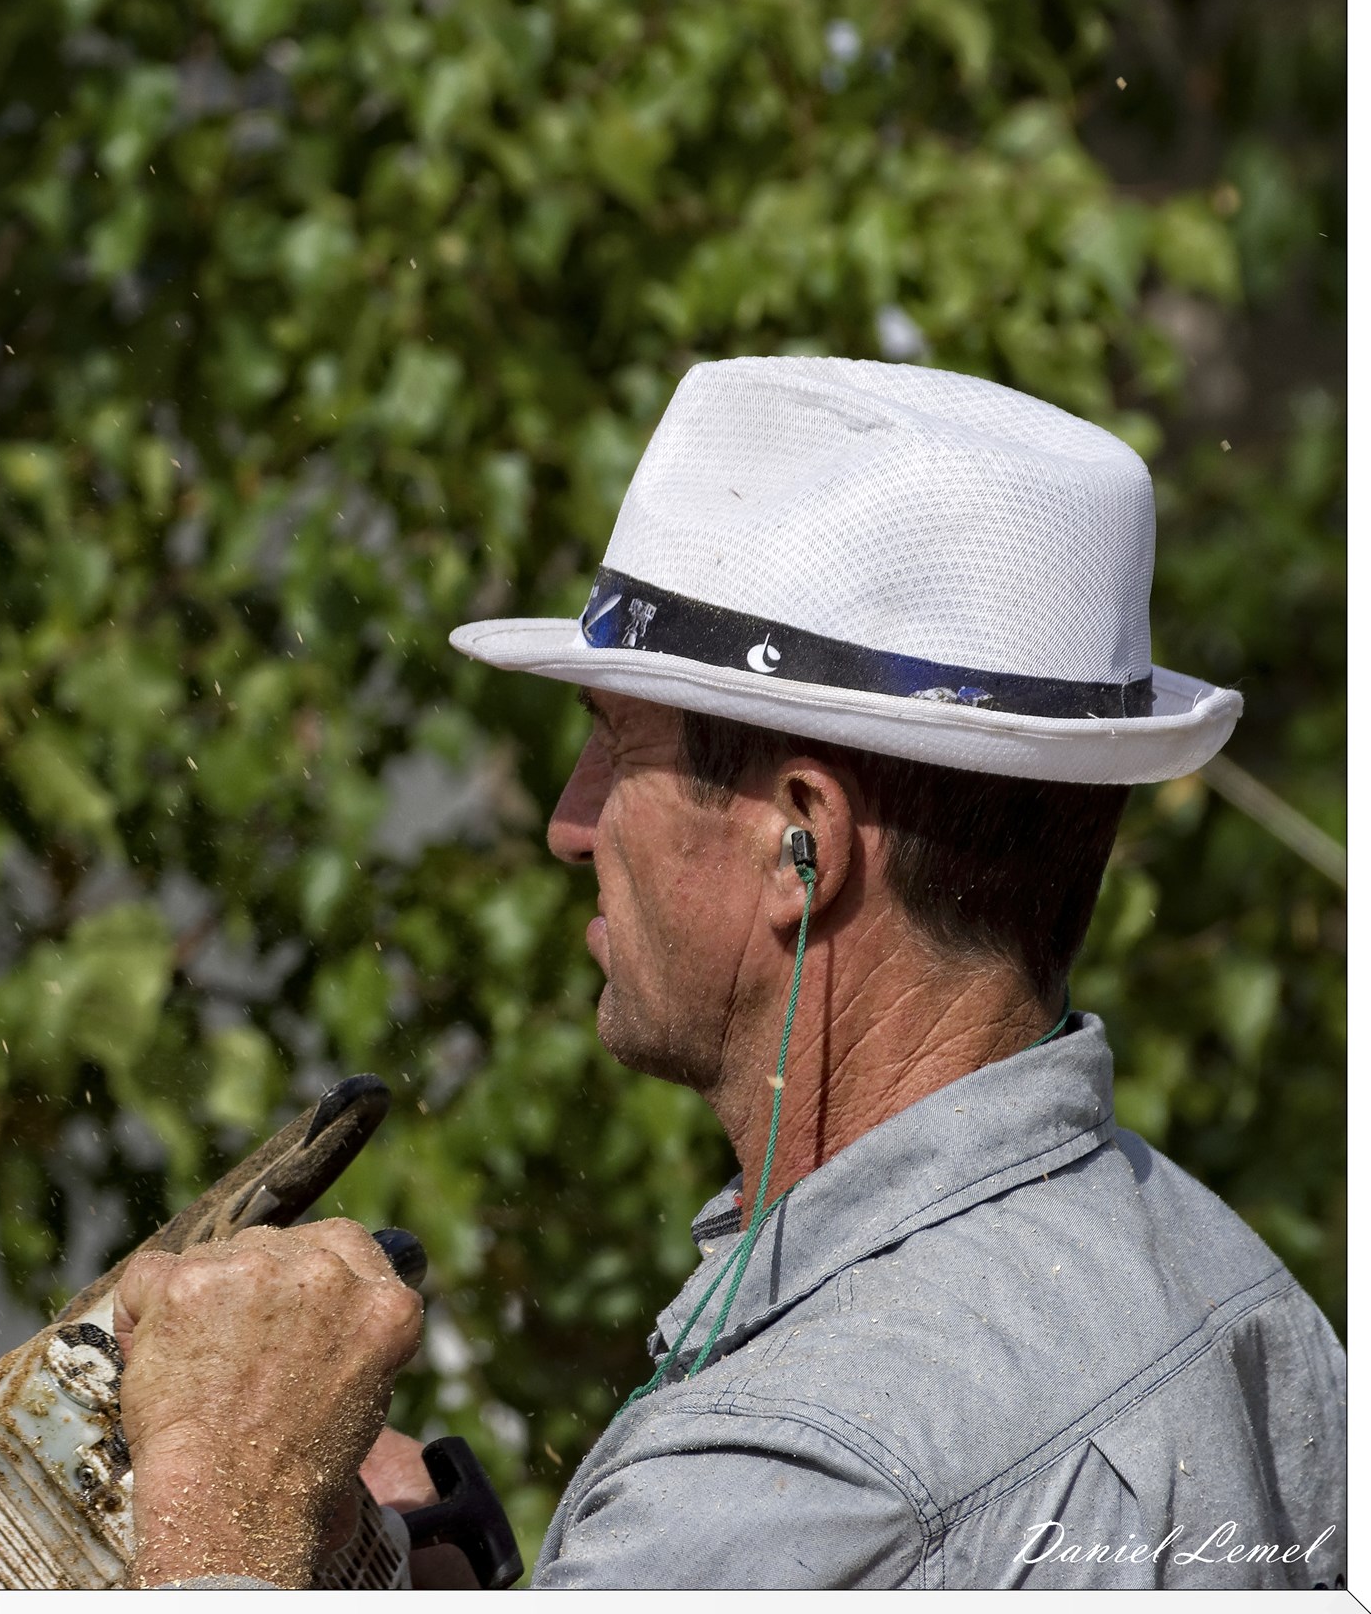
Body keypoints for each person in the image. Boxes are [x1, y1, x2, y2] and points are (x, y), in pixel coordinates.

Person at [110, 359, 1346, 1588]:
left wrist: (224, 1507)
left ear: (800, 840)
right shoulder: (1242, 1298)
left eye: (613, 747)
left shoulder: (802, 1473)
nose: (569, 823)